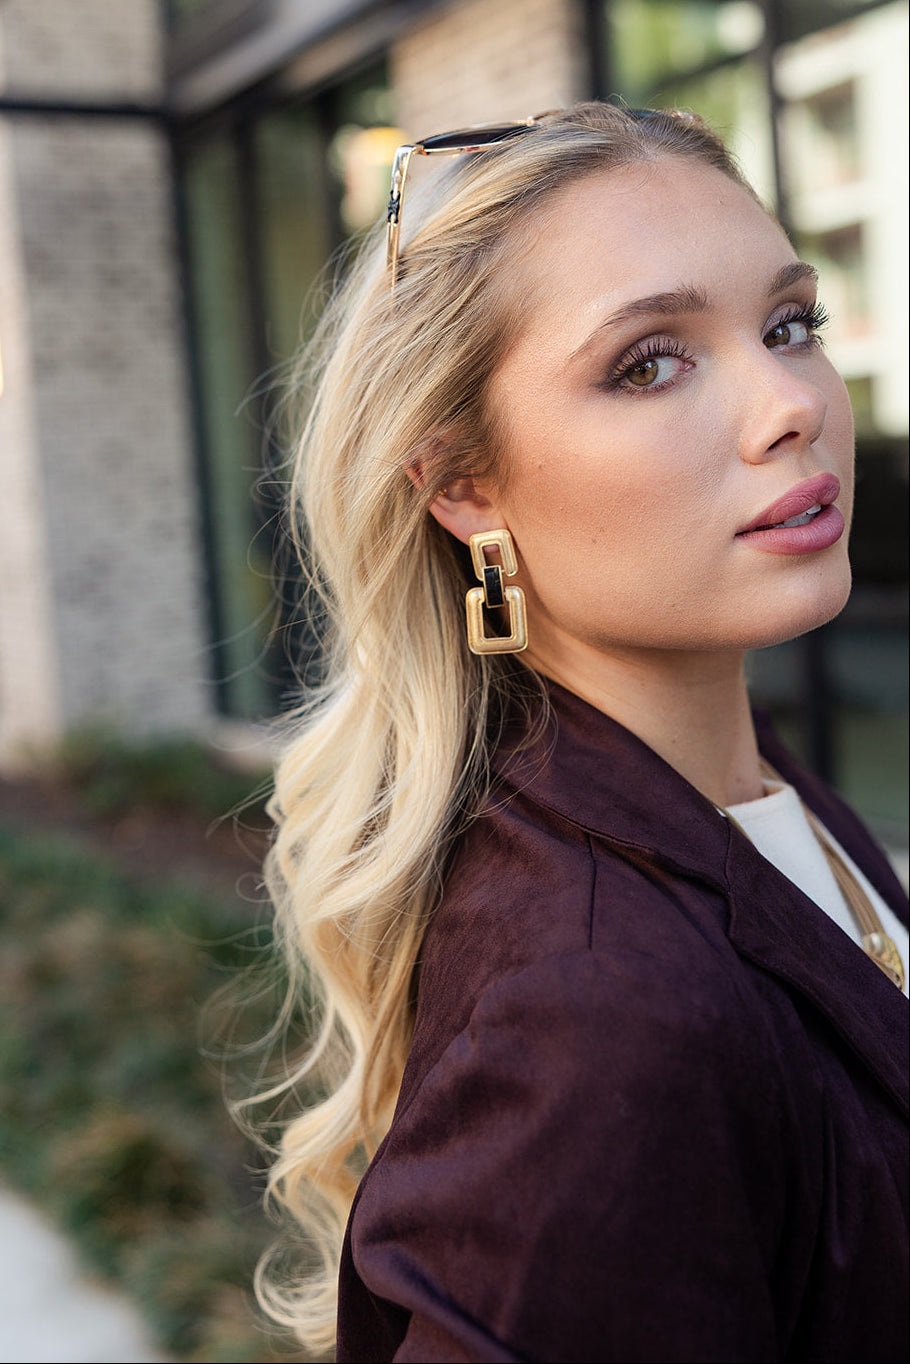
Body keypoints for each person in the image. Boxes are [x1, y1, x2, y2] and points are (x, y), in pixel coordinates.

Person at [252, 103, 908, 1363]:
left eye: (789, 325)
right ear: (462, 483)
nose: (789, 403)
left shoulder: (744, 789)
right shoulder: (595, 1010)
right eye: (648, 363)